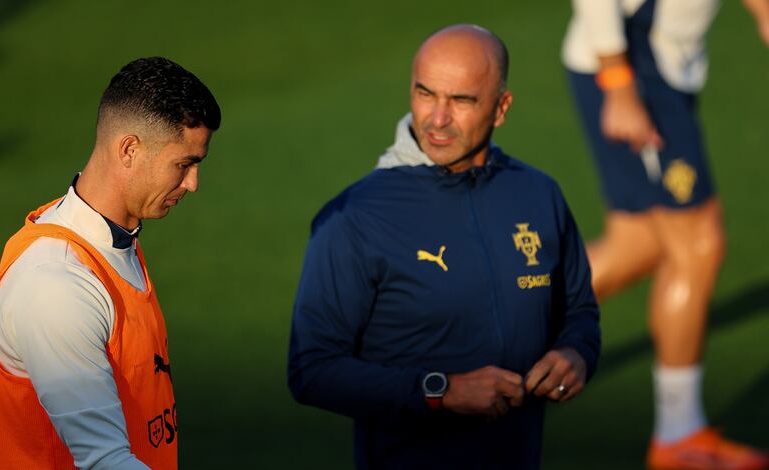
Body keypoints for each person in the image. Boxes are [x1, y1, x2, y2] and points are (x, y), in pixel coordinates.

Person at [288, 25, 601, 469]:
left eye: (461, 100)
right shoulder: (354, 218)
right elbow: (312, 369)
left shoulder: (538, 194)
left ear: (501, 108)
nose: (437, 119)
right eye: (425, 94)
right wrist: (440, 391)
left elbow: (580, 311)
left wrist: (576, 354)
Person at [0, 57, 220, 469]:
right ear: (129, 149)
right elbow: (104, 460)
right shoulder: (56, 284)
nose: (193, 184)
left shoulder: (112, 242)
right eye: (184, 164)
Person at [563, 0, 769, 468]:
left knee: (639, 244)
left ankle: (477, 340)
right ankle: (679, 437)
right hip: (632, 71)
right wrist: (619, 85)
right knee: (699, 243)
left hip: (662, 69)